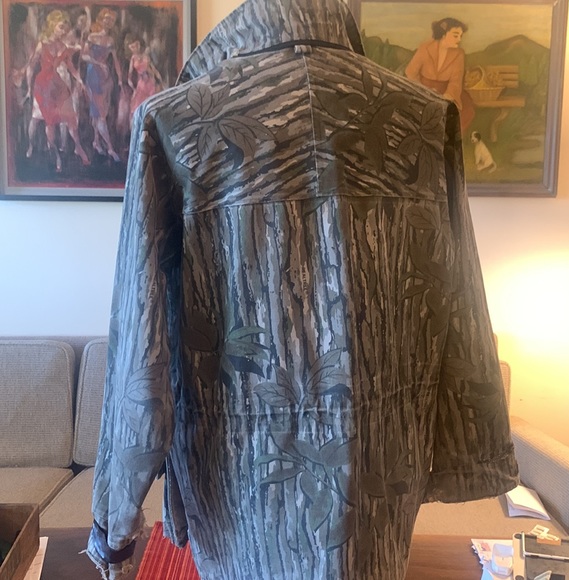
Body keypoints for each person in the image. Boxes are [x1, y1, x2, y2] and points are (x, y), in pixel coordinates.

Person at [87, 1, 518, 578]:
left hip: (238, 479)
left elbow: (141, 338)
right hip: (380, 470)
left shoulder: (177, 122)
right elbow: (461, 304)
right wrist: (470, 448)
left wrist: (114, 521)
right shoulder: (420, 115)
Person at [26, 9, 89, 171]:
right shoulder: (42, 44)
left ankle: (78, 147)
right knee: (45, 121)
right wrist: (28, 87)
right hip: (43, 86)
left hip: (58, 85)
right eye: (61, 27)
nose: (63, 31)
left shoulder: (64, 47)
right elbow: (31, 66)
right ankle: (49, 152)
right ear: (52, 25)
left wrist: (80, 80)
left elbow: (71, 67)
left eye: (65, 28)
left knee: (70, 117)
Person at [405, 17, 475, 133]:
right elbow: (410, 72)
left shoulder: (459, 54)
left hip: (448, 91)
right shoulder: (425, 47)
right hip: (424, 89)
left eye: (461, 36)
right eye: (455, 35)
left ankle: (448, 140)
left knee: (465, 111)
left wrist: (448, 96)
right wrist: (423, 90)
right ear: (443, 34)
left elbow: (456, 81)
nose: (459, 39)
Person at [82, 8, 122, 161]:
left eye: (111, 20)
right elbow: (84, 56)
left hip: (106, 78)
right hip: (93, 75)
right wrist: (98, 63)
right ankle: (110, 148)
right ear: (100, 19)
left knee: (99, 112)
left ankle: (96, 141)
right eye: (106, 18)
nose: (108, 21)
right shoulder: (92, 37)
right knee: (101, 115)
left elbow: (116, 61)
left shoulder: (111, 40)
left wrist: (120, 79)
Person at [126, 35, 164, 122]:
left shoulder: (146, 56)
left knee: (150, 105)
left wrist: (159, 79)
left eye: (136, 45)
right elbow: (130, 75)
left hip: (150, 82)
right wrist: (133, 87)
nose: (135, 48)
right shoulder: (133, 58)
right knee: (137, 104)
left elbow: (153, 69)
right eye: (132, 47)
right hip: (141, 83)